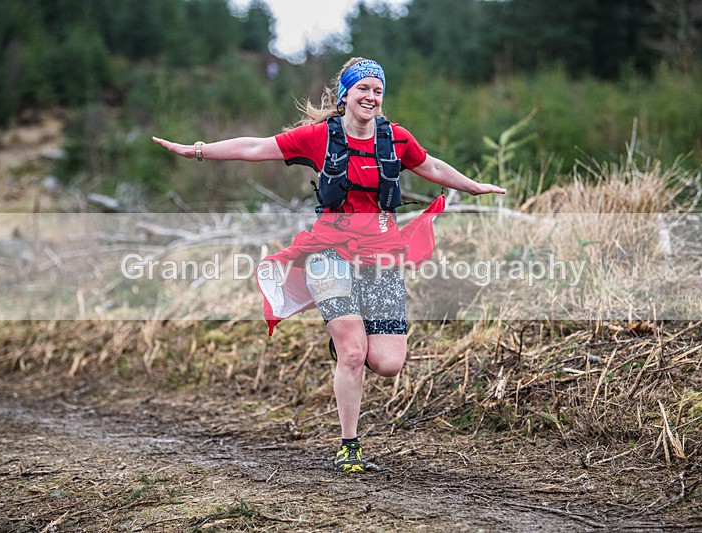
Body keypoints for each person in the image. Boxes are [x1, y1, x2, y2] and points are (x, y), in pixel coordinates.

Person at [153, 57, 505, 474]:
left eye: (378, 90)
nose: (371, 97)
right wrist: (196, 150)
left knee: (388, 363)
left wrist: (473, 184)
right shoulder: (320, 136)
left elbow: (431, 167)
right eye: (363, 89)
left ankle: (342, 343)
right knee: (355, 355)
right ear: (345, 95)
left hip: (380, 252)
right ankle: (349, 445)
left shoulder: (395, 139)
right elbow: (255, 147)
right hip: (328, 251)